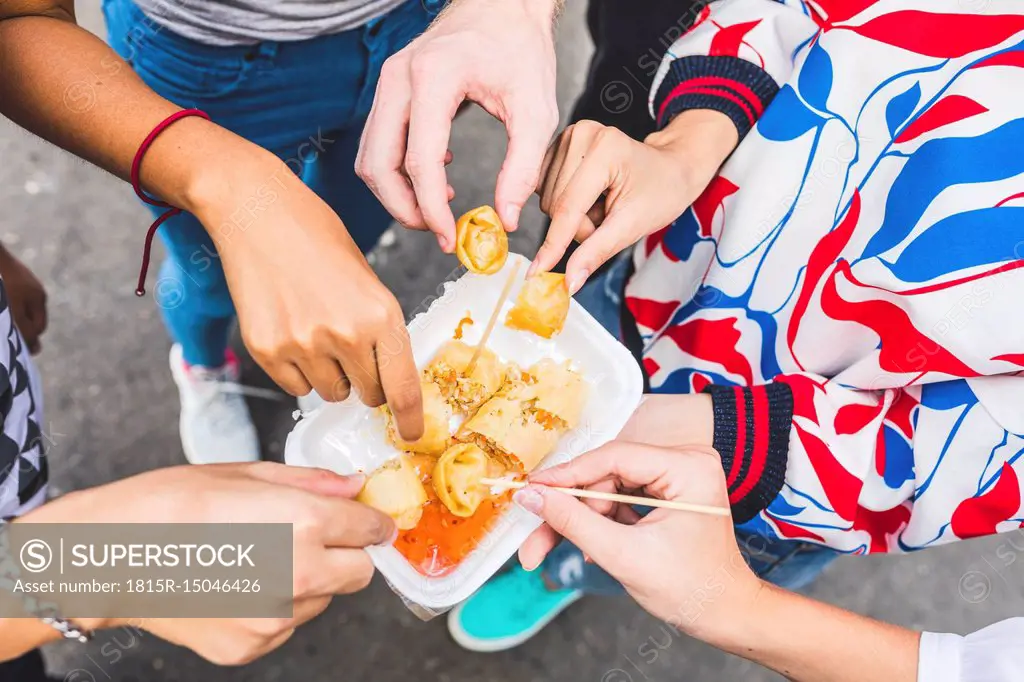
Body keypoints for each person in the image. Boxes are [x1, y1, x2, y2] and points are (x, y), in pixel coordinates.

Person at [444, 0, 1024, 651]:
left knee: (628, 534)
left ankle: (568, 569)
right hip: (663, 270)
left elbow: (981, 459)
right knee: (551, 448)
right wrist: (684, 148)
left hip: (771, 475)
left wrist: (735, 438)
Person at [101, 0, 457, 464]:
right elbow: (22, 22)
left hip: (408, 22)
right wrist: (225, 186)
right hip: (211, 51)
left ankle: (321, 355)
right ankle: (202, 366)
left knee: (351, 239)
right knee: (209, 274)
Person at [515, 443, 1024, 681]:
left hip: (819, 491)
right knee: (613, 511)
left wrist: (733, 605)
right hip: (696, 301)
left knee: (624, 538)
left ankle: (565, 576)